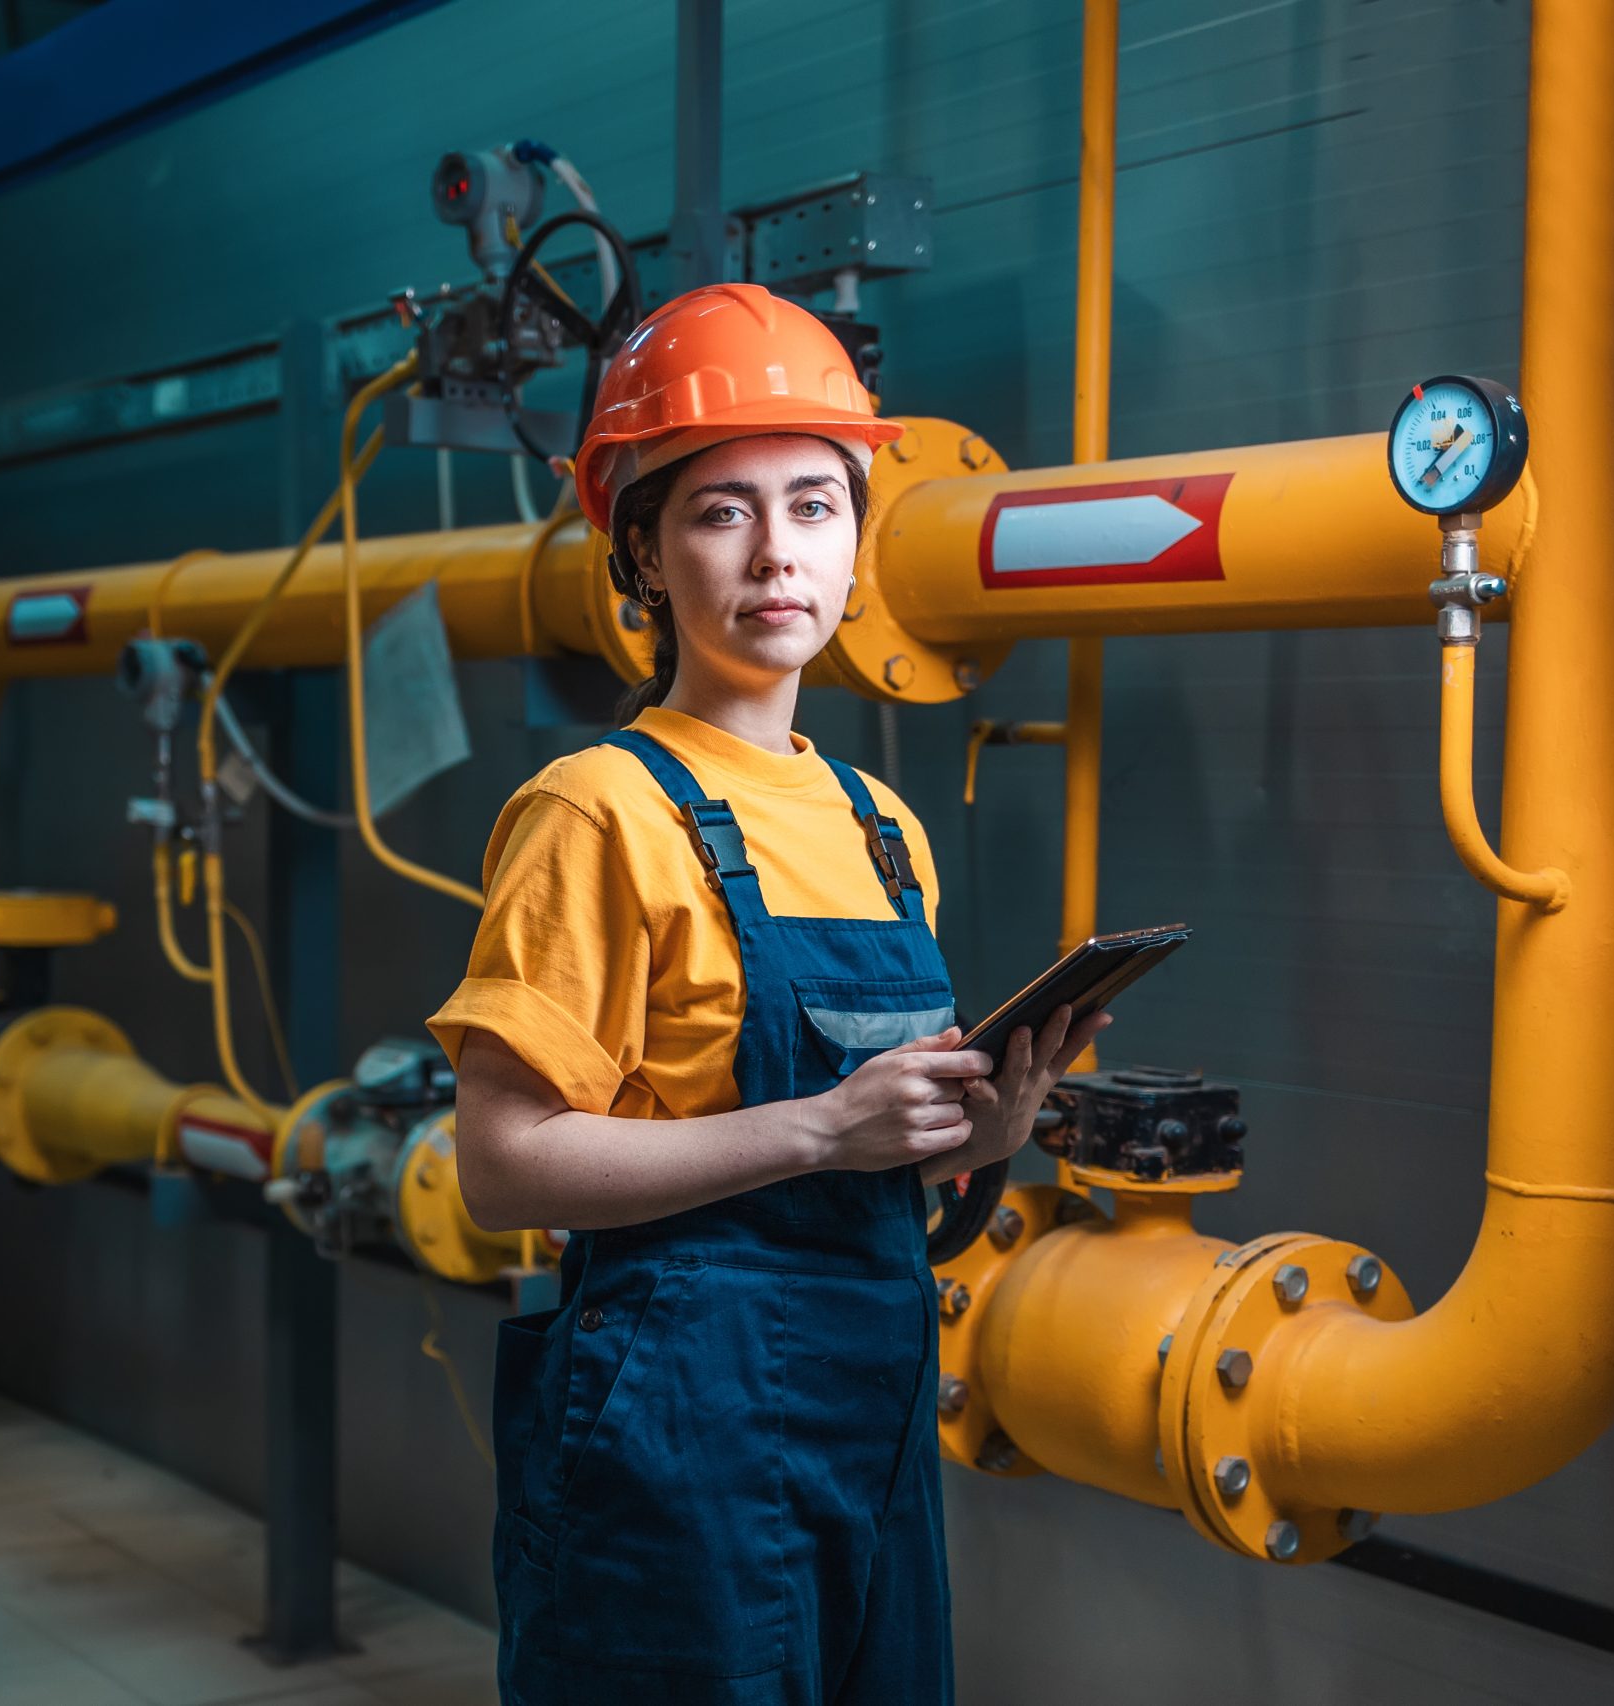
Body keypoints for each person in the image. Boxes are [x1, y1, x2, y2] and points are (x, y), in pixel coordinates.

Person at [426, 282, 1107, 1705]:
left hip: (872, 1408)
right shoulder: (596, 807)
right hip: (673, 1426)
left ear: (859, 544)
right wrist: (817, 1130)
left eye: (814, 504)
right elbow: (499, 1163)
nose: (775, 552)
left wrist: (978, 1132)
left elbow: (879, 1154)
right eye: (721, 510)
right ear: (645, 551)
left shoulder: (880, 826)